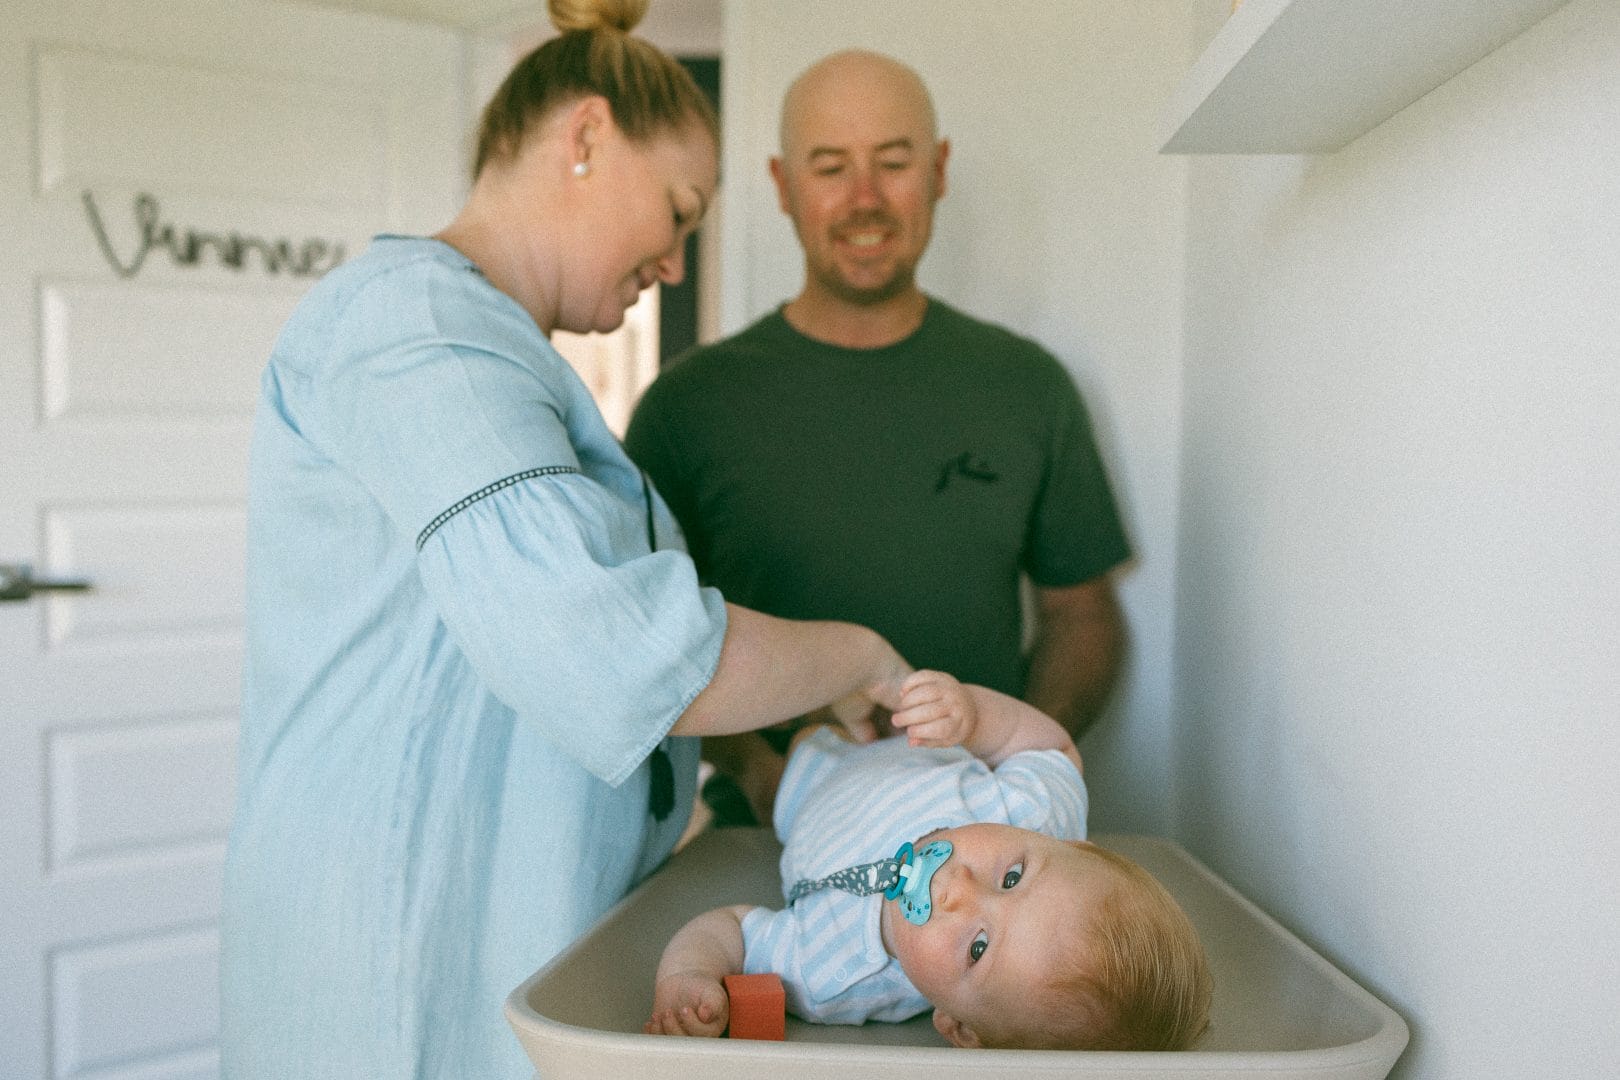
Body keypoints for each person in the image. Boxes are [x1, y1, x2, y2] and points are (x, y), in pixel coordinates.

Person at [219, 5, 913, 1079]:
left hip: (473, 912)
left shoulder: (492, 353)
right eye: (680, 213)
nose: (677, 266)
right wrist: (857, 659)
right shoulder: (416, 333)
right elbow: (614, 648)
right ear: (586, 137)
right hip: (401, 941)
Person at [623, 48, 1130, 825]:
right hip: (766, 840)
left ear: (939, 170)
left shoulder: (1027, 385)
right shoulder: (685, 408)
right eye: (829, 168)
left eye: (893, 163)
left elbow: (1083, 615)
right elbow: (645, 642)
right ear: (783, 186)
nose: (865, 199)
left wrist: (1015, 756)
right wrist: (765, 781)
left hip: (985, 835)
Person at [644, 670, 1211, 1050]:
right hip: (900, 746)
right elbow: (1052, 748)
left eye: (978, 946)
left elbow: (733, 930)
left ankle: (734, 752)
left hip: (803, 797)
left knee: (766, 767)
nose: (959, 888)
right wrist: (974, 716)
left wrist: (687, 975)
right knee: (817, 693)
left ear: (958, 1027)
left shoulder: (839, 977)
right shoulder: (1034, 813)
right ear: (1071, 845)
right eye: (1011, 876)